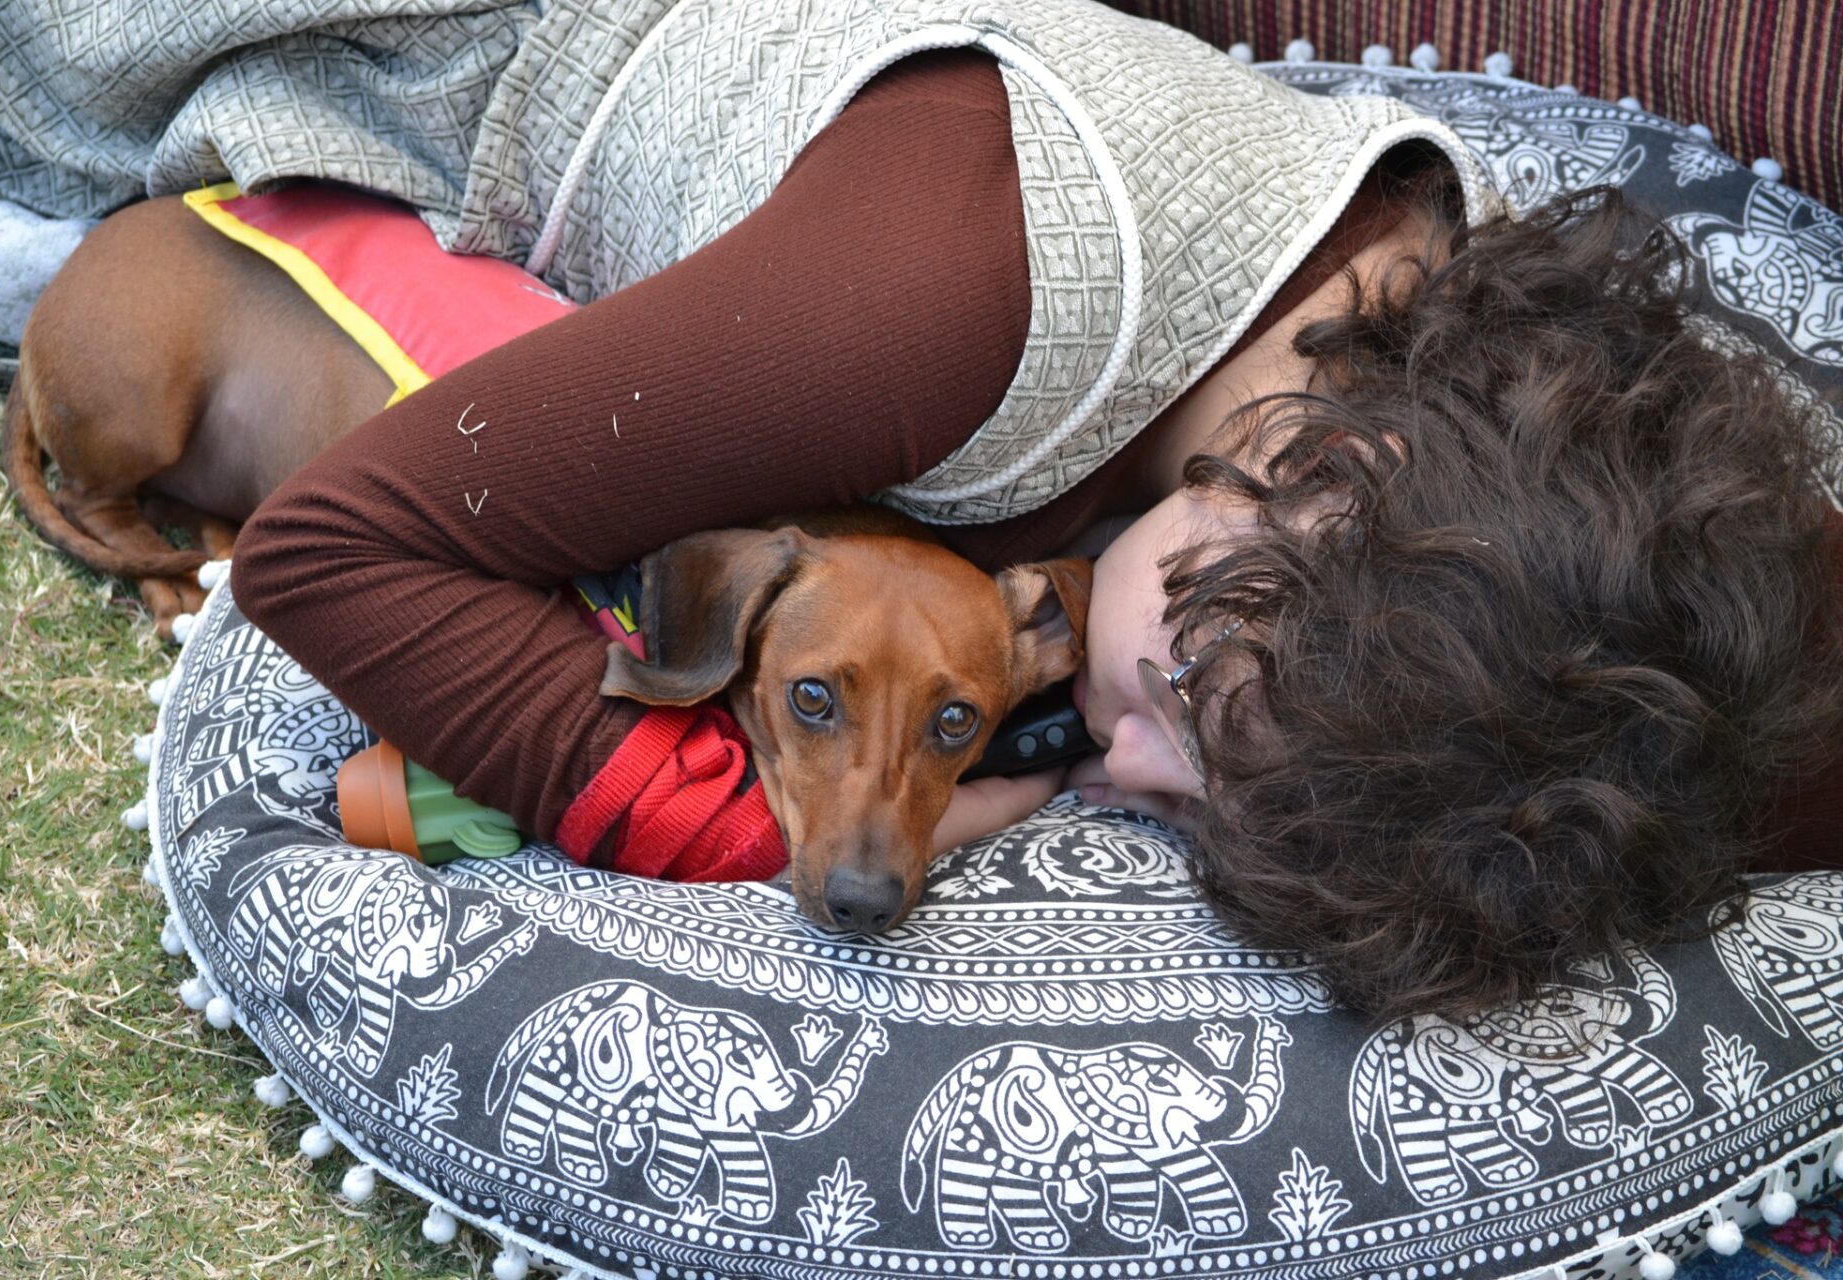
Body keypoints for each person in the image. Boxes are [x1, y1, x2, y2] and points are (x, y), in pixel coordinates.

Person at [230, 43, 1843, 1021]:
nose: (1111, 770)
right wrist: (715, 823)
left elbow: (1724, 683)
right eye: (1169, 708)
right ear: (1301, 483)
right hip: (407, 78)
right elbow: (327, 554)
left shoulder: (1477, 436)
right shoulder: (924, 321)